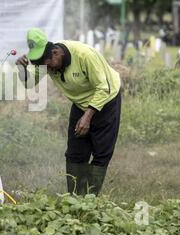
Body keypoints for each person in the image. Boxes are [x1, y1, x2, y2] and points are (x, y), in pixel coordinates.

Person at [16, 28, 122, 196]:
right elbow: (30, 84)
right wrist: (22, 70)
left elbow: (104, 88)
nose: (47, 68)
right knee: (74, 153)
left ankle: (90, 199)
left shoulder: (85, 55)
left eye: (48, 64)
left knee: (101, 153)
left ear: (57, 53)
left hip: (107, 100)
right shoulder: (45, 60)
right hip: (80, 104)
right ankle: (74, 199)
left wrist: (88, 116)